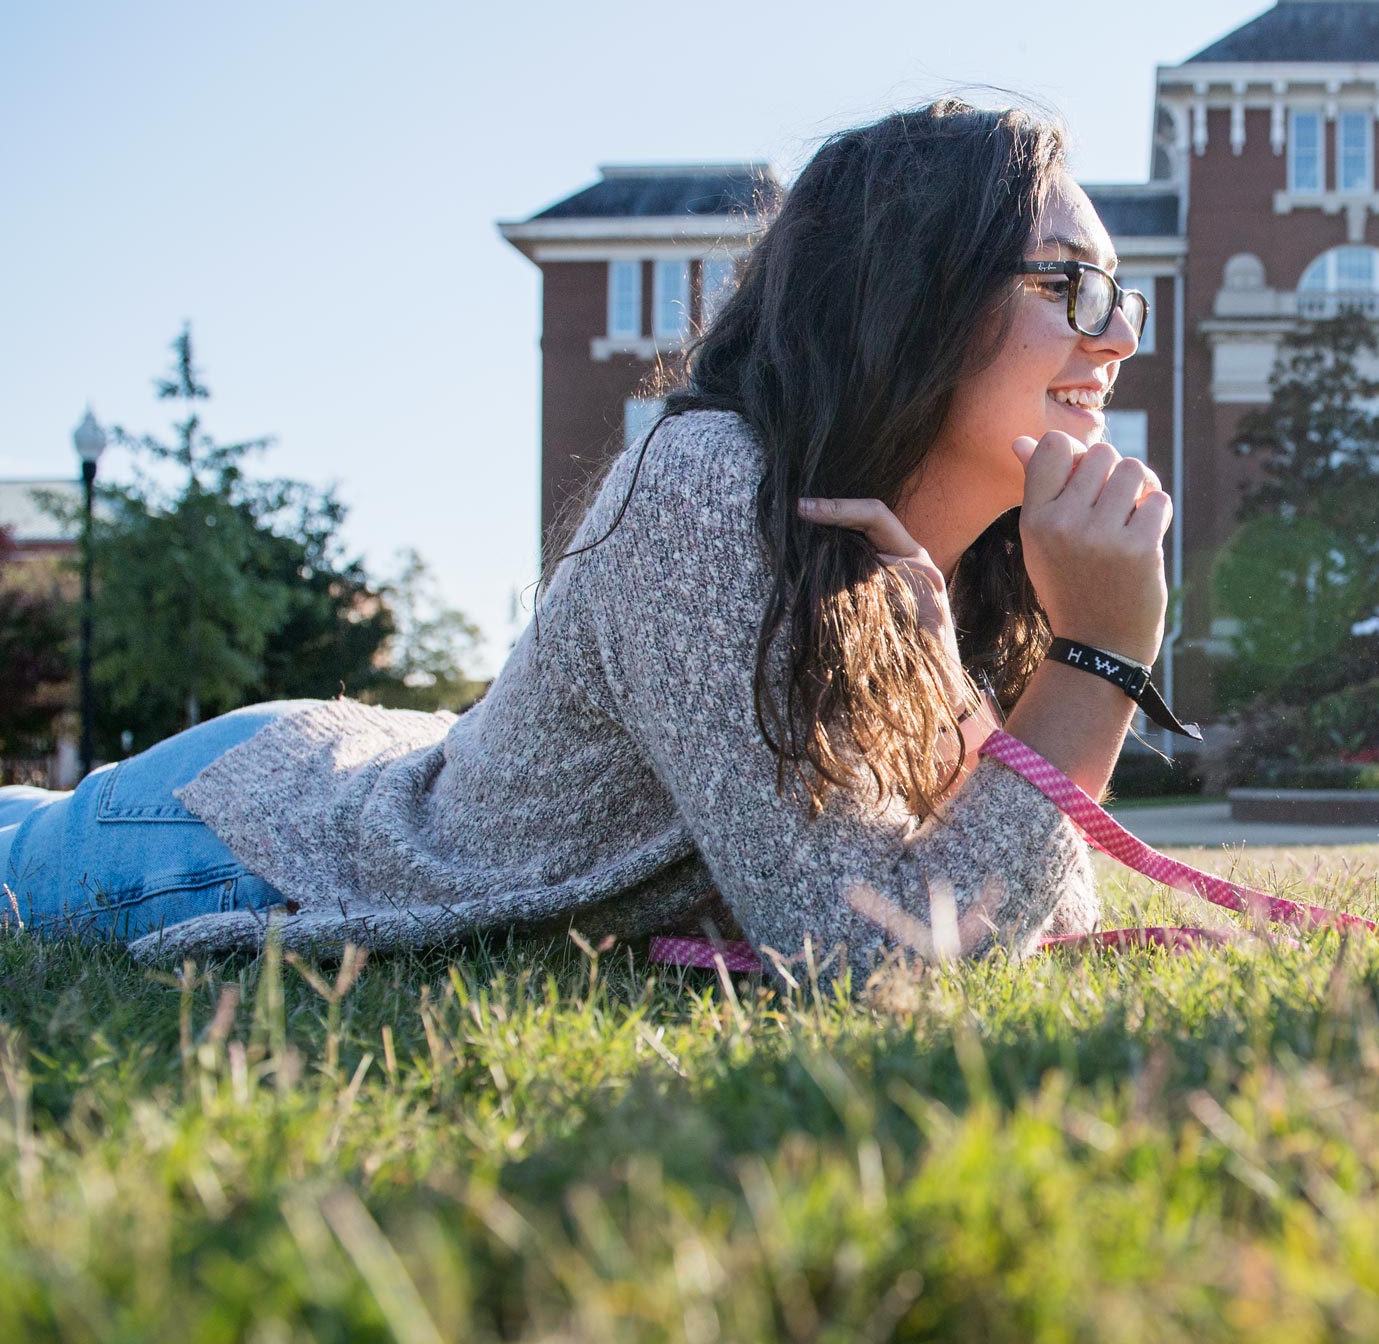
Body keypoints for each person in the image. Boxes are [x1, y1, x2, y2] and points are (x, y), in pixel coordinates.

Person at [0, 100, 1164, 974]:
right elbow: (877, 960)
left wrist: (986, 694)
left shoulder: (926, 579)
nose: (1113, 339)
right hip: (232, 845)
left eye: (1120, 294)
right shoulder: (714, 489)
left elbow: (1037, 914)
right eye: (1068, 283)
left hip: (384, 767)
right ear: (907, 292)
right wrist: (1100, 656)